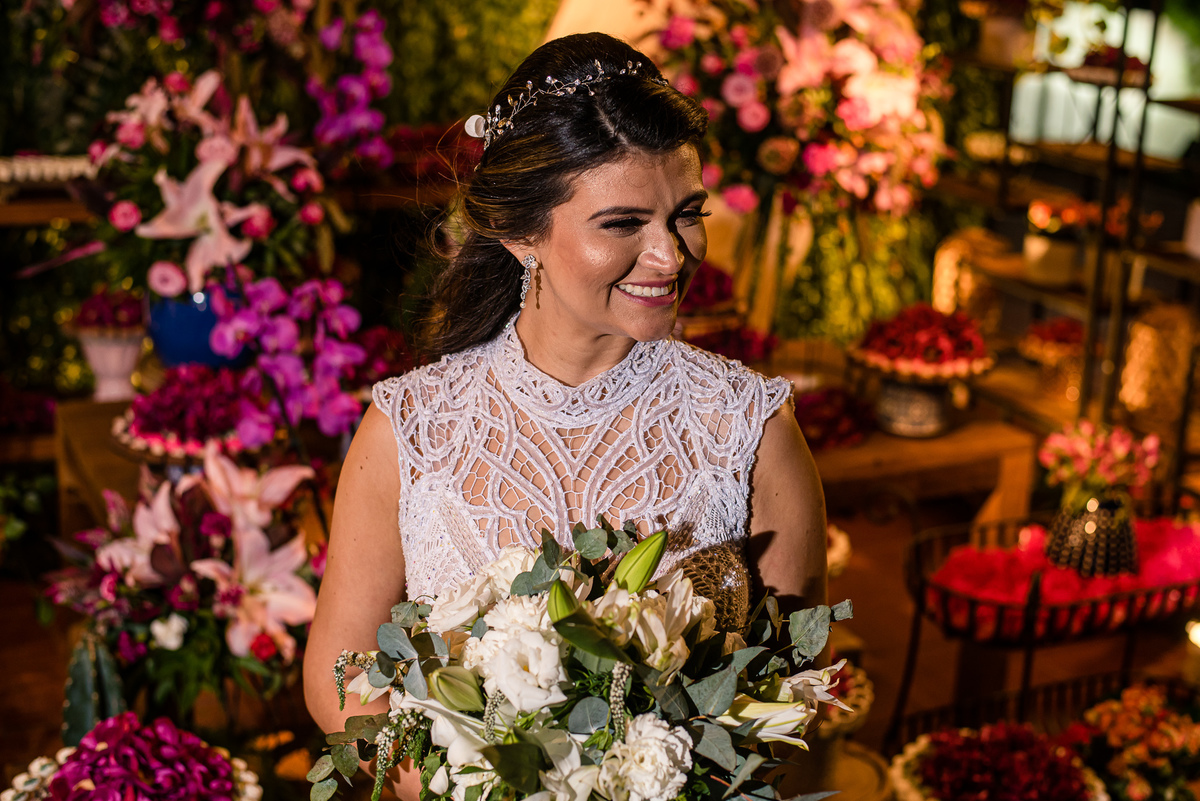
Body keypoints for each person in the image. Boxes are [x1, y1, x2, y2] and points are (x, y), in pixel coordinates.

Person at [304, 31, 826, 799]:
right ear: (523, 234)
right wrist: (469, 787)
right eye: (622, 224)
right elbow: (341, 673)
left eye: (686, 213)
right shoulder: (410, 428)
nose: (671, 255)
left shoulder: (752, 428)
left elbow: (794, 681)